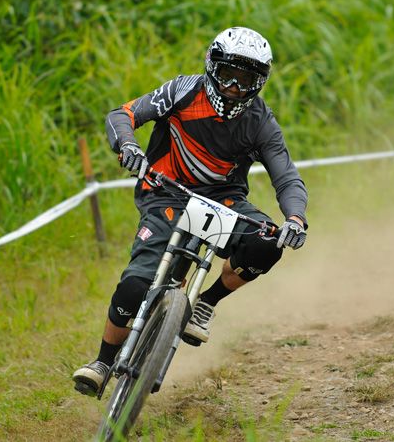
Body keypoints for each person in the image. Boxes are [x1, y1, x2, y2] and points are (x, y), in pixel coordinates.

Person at [73, 27, 309, 396]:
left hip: (223, 201)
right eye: (227, 74)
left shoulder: (262, 121)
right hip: (165, 194)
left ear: (259, 83)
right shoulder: (182, 90)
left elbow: (287, 176)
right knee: (136, 284)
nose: (233, 86)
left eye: (245, 79)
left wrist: (295, 218)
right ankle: (103, 362)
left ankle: (205, 303)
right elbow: (122, 115)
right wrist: (128, 146)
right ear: (211, 67)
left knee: (268, 242)